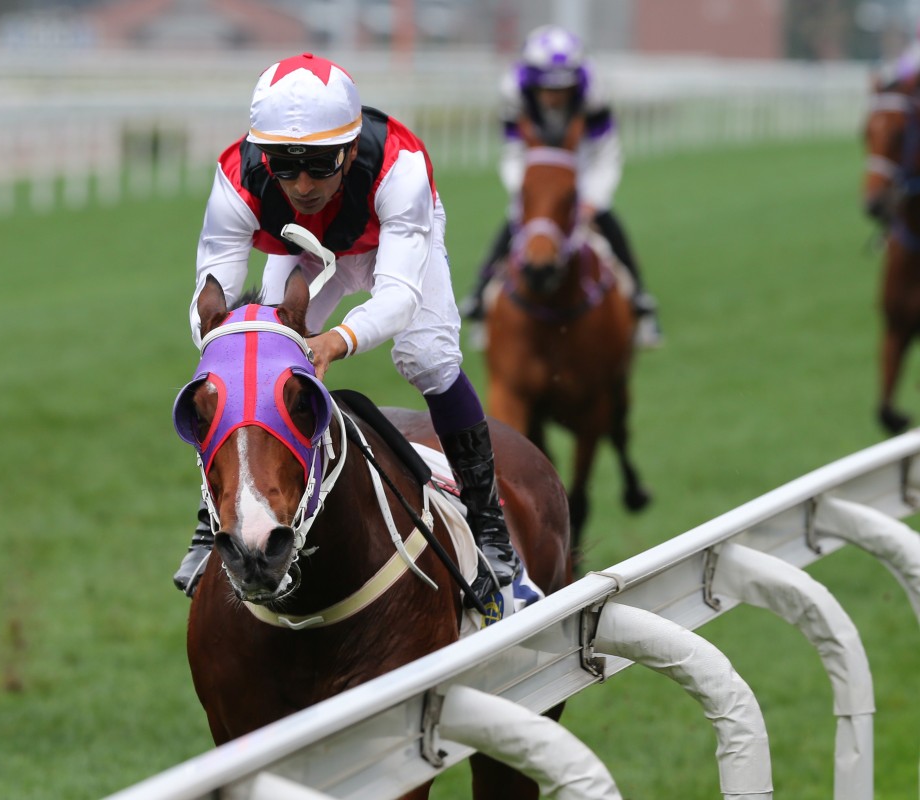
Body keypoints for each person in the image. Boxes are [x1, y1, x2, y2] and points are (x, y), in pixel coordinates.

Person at [174, 52, 525, 611]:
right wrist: (237, 341)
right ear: (262, 156)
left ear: (351, 148)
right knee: (253, 368)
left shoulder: (399, 166)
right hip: (305, 249)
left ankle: (489, 528)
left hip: (394, 239)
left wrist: (336, 340)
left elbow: (398, 297)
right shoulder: (235, 177)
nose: (304, 184)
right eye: (284, 168)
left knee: (428, 359)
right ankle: (211, 520)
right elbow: (209, 296)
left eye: (319, 164)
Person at [458, 24, 663, 349]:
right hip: (535, 160)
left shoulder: (593, 89)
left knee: (607, 220)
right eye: (547, 89)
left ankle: (640, 298)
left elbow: (605, 151)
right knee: (518, 219)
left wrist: (592, 199)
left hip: (580, 156)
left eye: (563, 88)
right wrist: (527, 193)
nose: (555, 96)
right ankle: (479, 295)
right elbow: (513, 152)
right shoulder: (513, 89)